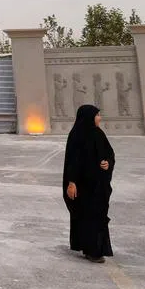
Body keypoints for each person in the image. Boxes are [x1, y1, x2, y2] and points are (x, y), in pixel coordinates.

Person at [62, 104, 115, 263]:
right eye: (97, 115)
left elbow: (109, 153)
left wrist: (108, 163)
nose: (99, 118)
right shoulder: (77, 135)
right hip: (83, 186)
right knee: (87, 216)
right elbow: (73, 161)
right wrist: (72, 183)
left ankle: (94, 248)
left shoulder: (98, 134)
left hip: (98, 185)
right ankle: (92, 251)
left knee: (97, 216)